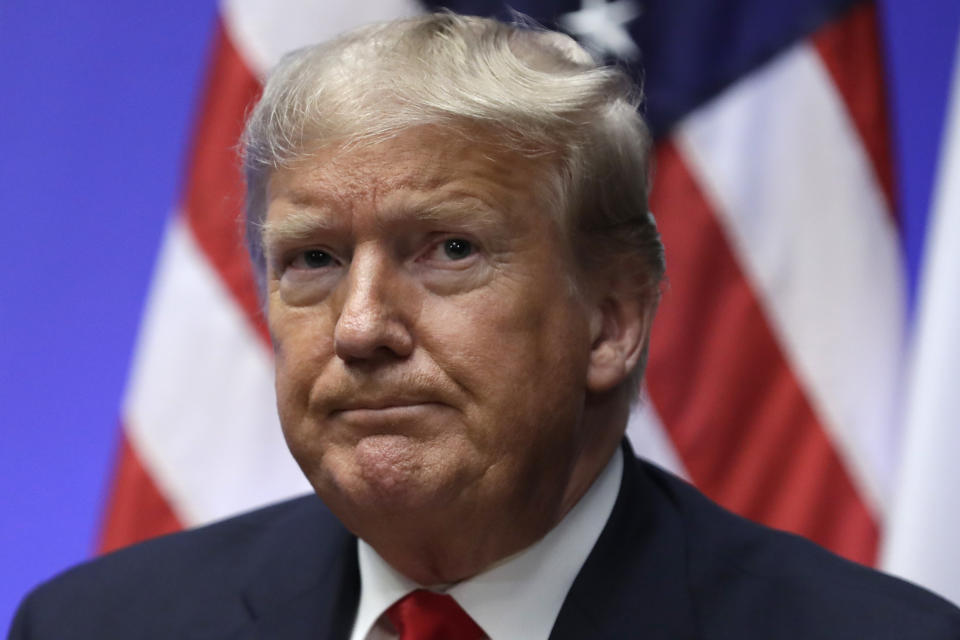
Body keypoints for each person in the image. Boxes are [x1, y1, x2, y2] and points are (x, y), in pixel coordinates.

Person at [9, 12, 960, 640]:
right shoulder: (97, 626)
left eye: (450, 250)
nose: (362, 326)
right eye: (313, 260)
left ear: (613, 320)